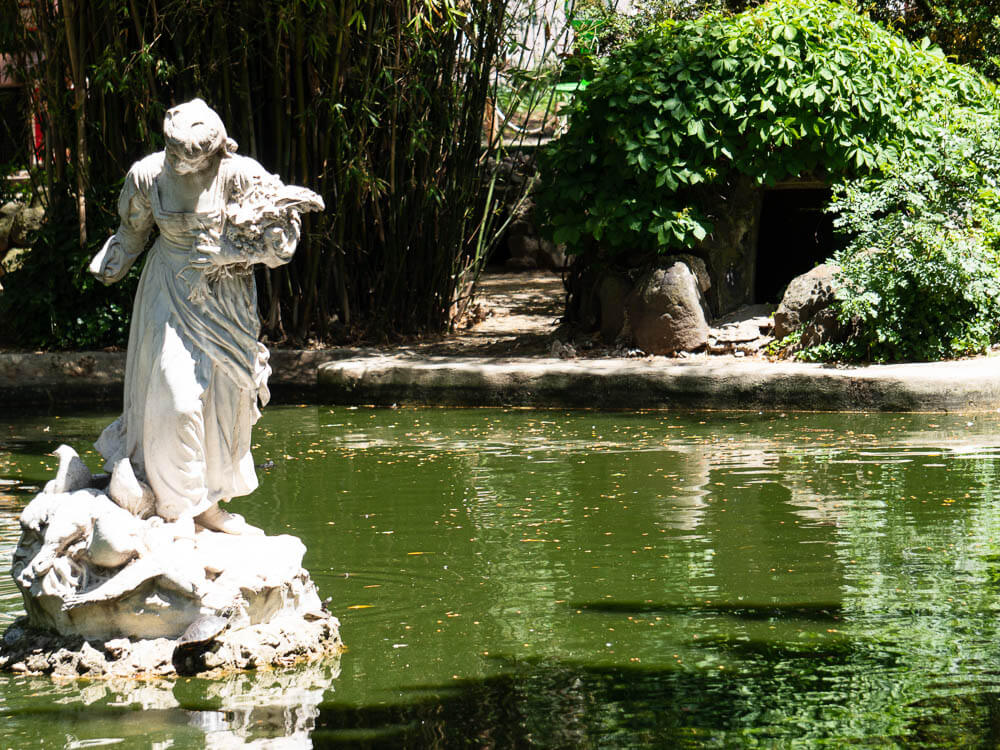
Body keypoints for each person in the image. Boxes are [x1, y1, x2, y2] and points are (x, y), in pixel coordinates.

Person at [89, 98, 322, 534]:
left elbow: (283, 246)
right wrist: (113, 261)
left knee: (223, 401)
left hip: (224, 297)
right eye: (177, 156)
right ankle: (178, 505)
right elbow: (132, 231)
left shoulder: (240, 175)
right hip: (167, 289)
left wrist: (229, 251)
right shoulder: (148, 175)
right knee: (174, 398)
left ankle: (207, 505)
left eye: (194, 159)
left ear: (216, 150)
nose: (183, 166)